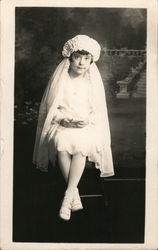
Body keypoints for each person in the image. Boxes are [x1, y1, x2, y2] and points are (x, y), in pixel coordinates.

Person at [33, 35, 114, 221]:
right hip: (62, 124)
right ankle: (74, 195)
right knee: (61, 142)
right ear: (69, 58)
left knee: (81, 145)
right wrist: (64, 120)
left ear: (91, 61)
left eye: (87, 59)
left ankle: (68, 196)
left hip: (87, 127)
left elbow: (98, 111)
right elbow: (52, 108)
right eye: (77, 57)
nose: (82, 62)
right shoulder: (61, 81)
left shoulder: (91, 83)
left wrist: (86, 120)